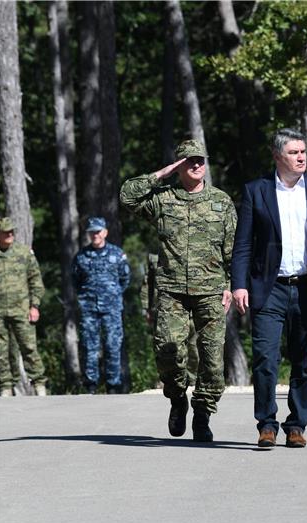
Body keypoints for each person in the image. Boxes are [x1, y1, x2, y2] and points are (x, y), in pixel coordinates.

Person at [231, 128, 307, 449]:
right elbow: (242, 244)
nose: (301, 158)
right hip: (269, 289)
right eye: (294, 153)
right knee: (266, 360)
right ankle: (266, 424)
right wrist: (239, 285)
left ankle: (296, 425)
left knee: (303, 360)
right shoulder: (257, 191)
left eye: (303, 152)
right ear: (277, 156)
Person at [120, 139, 236, 442]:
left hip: (211, 290)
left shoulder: (221, 202)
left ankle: (202, 414)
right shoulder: (163, 199)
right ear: (179, 166)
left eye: (200, 160)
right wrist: (161, 174)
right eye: (189, 161)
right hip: (172, 291)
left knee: (211, 360)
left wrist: (231, 286)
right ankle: (177, 398)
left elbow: (233, 250)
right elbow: (127, 197)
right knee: (168, 351)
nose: (196, 165)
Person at [72, 217, 131, 394]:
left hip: (112, 309)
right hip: (89, 309)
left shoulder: (117, 254)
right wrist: (84, 297)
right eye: (92, 232)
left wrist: (113, 294)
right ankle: (90, 385)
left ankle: (113, 384)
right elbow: (75, 280)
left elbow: (125, 278)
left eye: (98, 231)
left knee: (113, 345)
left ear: (105, 232)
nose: (95, 235)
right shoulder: (81, 256)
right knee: (90, 346)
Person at [0, 217, 47, 396]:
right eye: (5, 232)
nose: (10, 235)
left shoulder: (24, 253)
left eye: (11, 232)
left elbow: (36, 281)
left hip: (21, 310)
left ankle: (39, 384)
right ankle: (5, 387)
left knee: (29, 347)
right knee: (0, 352)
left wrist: (34, 306)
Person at [141, 252, 199, 385]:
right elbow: (148, 283)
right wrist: (146, 307)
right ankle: (172, 380)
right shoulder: (155, 256)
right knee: (166, 346)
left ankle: (193, 379)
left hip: (191, 304)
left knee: (194, 346)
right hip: (164, 307)